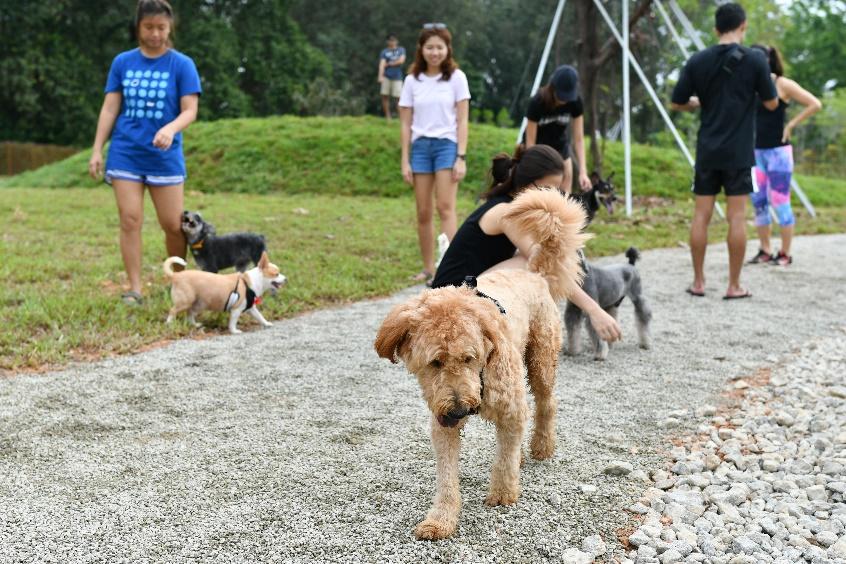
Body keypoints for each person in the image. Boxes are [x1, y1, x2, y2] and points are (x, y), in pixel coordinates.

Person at [431, 145, 621, 343]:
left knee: (534, 259)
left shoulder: (512, 207)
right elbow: (546, 266)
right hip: (448, 303)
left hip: (461, 291)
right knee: (533, 264)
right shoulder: (506, 212)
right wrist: (594, 310)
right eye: (547, 189)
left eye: (556, 190)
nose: (552, 196)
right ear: (530, 185)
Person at [88, 0, 201, 306]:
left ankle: (179, 283)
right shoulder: (122, 62)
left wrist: (170, 129)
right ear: (138, 27)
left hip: (164, 156)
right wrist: (98, 149)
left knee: (173, 225)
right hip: (126, 152)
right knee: (130, 220)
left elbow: (190, 110)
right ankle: (134, 288)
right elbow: (110, 107)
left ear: (170, 28)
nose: (155, 34)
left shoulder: (182, 64)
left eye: (161, 28)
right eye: (149, 27)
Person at [670, 2, 776, 299]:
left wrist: (696, 102)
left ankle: (699, 282)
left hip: (707, 150)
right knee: (737, 217)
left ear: (716, 29)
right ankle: (734, 285)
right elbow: (771, 103)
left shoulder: (697, 60)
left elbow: (677, 101)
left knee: (701, 215)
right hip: (739, 152)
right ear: (743, 25)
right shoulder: (756, 60)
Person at [399, 23, 470, 285]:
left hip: (447, 146)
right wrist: (405, 159)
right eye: (430, 47)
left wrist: (460, 156)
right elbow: (405, 123)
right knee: (423, 211)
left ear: (447, 49)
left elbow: (463, 120)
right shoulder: (411, 81)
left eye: (439, 47)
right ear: (421, 49)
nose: (435, 52)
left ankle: (450, 269)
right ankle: (429, 268)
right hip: (420, 149)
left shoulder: (456, 78)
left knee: (446, 207)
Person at [747, 45, 822, 267]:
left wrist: (791, 124)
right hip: (754, 152)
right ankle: (765, 250)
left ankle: (785, 253)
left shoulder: (782, 83)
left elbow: (814, 103)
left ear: (768, 61)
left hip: (778, 153)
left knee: (780, 201)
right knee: (758, 202)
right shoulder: (749, 85)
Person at [524, 65, 591, 193]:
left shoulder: (575, 102)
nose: (564, 100)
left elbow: (579, 139)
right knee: (537, 191)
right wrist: (532, 169)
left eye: (567, 96)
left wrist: (583, 172)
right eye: (561, 95)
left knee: (566, 186)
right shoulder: (537, 102)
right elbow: (530, 143)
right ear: (553, 87)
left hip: (560, 147)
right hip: (538, 150)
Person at [378, 34, 406, 121]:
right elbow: (382, 65)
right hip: (386, 76)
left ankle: (402, 117)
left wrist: (389, 63)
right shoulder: (384, 52)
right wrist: (380, 76)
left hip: (397, 77)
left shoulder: (401, 50)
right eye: (390, 40)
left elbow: (401, 61)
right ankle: (388, 117)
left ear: (397, 41)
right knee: (384, 96)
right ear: (387, 42)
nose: (392, 42)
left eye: (394, 40)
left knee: (398, 98)